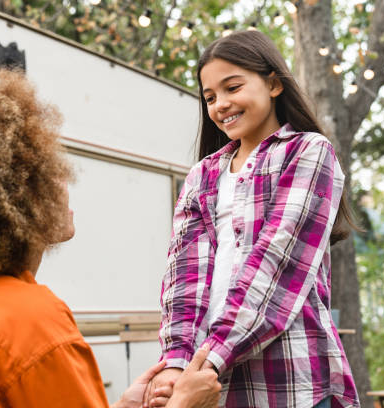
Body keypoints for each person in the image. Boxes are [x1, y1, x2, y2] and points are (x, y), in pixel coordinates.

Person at [0, 69, 221, 407]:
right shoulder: (31, 319)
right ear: (23, 196)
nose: (65, 184)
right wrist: (185, 404)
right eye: (50, 173)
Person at [145, 31, 361, 408]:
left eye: (232, 87)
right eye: (210, 97)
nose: (220, 105)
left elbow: (276, 266)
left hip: (291, 382)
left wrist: (208, 358)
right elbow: (183, 277)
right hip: (213, 387)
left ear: (274, 83)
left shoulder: (309, 152)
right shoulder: (202, 175)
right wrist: (175, 364)